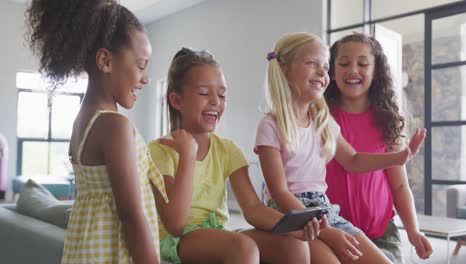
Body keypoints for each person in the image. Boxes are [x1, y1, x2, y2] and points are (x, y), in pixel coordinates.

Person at [254, 32, 426, 264]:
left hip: (324, 209)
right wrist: (326, 232)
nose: (321, 72)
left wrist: (399, 157)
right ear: (284, 69)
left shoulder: (323, 121)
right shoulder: (270, 125)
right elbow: (279, 193)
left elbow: (353, 160)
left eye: (325, 67)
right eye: (312, 63)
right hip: (291, 215)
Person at [149, 48, 325, 264]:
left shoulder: (227, 149)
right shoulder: (159, 150)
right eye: (204, 93)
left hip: (217, 232)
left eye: (222, 95)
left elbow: (252, 208)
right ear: (176, 100)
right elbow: (175, 224)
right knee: (243, 247)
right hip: (178, 239)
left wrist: (291, 226)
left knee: (293, 243)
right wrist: (187, 155)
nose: (215, 101)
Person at [26, 0, 169, 263]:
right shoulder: (114, 125)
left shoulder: (83, 120)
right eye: (140, 65)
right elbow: (130, 215)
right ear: (105, 60)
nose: (146, 77)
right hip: (112, 253)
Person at [324, 33, 433, 263]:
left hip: (381, 234)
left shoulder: (387, 121)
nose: (353, 69)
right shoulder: (322, 118)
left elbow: (400, 185)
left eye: (363, 64)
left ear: (376, 72)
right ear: (332, 71)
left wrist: (413, 231)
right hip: (334, 233)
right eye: (344, 63)